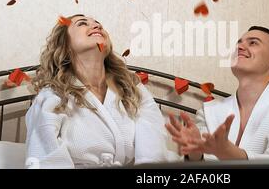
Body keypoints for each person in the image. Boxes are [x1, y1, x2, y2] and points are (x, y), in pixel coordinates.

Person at [25, 14, 169, 168]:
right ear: (66, 45)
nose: (97, 26)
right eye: (82, 23)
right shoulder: (52, 96)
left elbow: (152, 150)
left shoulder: (132, 89)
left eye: (98, 23)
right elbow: (45, 158)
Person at [166, 26, 269, 161]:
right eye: (238, 43)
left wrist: (226, 151)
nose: (239, 47)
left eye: (253, 43)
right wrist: (195, 153)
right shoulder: (209, 111)